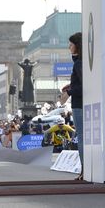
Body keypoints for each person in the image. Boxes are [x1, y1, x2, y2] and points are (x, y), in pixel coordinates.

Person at [61, 32, 83, 180]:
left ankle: (84, 170)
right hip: (81, 103)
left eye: (71, 44)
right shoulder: (80, 62)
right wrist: (71, 85)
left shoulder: (78, 63)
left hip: (78, 104)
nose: (69, 47)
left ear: (77, 46)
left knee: (81, 137)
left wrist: (69, 91)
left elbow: (84, 85)